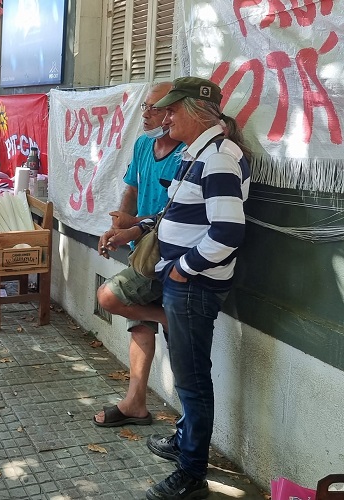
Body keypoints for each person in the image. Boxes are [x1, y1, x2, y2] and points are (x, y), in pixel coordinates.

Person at [101, 77, 251, 500]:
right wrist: (137, 227)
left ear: (193, 110)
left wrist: (183, 269)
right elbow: (174, 215)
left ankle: (191, 474)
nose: (163, 117)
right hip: (179, 282)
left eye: (170, 110)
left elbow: (228, 231)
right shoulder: (197, 153)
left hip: (193, 286)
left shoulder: (220, 157)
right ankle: (185, 441)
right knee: (190, 374)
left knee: (192, 381)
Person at [92, 82, 184, 427]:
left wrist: (134, 226)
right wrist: (120, 227)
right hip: (141, 248)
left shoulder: (188, 155)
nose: (146, 114)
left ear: (176, 111)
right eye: (145, 106)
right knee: (140, 323)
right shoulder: (145, 144)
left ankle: (173, 318)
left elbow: (173, 215)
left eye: (156, 108)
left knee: (109, 296)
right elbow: (131, 189)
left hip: (168, 254)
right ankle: (136, 402)